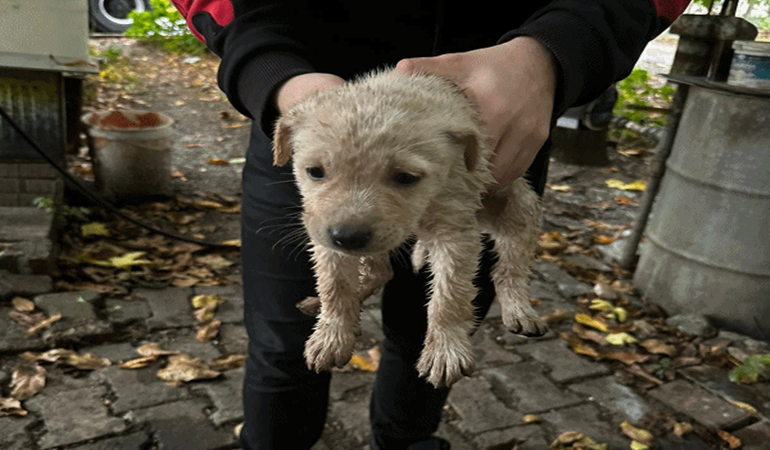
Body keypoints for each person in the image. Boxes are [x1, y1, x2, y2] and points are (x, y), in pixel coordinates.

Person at [170, 1, 690, 449]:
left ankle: (407, 440)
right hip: (309, 107)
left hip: (495, 116)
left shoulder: (468, 148)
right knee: (284, 337)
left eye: (403, 179)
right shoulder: (297, 136)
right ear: (287, 147)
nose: (350, 220)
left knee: (428, 334)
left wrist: (555, 50)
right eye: (315, 175)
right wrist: (272, 71)